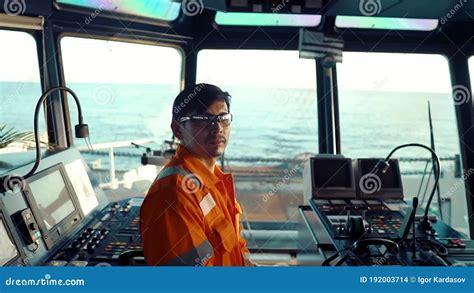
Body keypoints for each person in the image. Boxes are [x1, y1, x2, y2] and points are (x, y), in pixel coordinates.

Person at [140, 83, 254, 266]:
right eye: (203, 119)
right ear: (178, 130)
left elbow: (237, 250)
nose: (217, 128)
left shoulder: (217, 181)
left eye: (223, 118)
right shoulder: (174, 194)